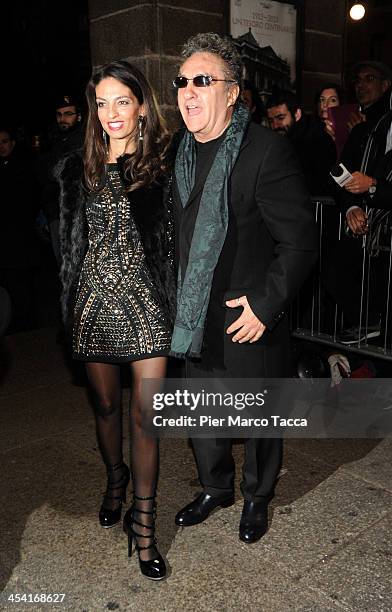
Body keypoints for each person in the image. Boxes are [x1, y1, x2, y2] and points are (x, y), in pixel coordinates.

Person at [171, 33, 317, 543]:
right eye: (182, 82)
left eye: (202, 81)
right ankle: (215, 487)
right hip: (195, 315)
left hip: (247, 314)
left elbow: (300, 242)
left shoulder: (265, 152)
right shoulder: (180, 153)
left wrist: (266, 305)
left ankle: (257, 496)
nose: (188, 91)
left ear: (233, 92)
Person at [57, 61, 175, 580]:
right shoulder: (75, 167)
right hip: (94, 302)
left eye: (121, 101)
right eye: (101, 103)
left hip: (147, 301)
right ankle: (114, 479)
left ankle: (143, 526)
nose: (111, 114)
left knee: (146, 417)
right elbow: (64, 242)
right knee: (106, 405)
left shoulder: (164, 164)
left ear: (142, 105)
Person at [0, 127, 40, 332]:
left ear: (12, 143)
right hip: (6, 237)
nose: (1, 146)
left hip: (20, 235)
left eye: (5, 141)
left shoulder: (23, 167)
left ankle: (26, 322)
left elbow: (29, 201)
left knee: (21, 280)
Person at [36, 95, 84, 266]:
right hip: (55, 213)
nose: (62, 119)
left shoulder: (83, 141)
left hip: (77, 214)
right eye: (59, 114)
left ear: (78, 116)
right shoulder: (53, 141)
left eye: (68, 114)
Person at [266, 90, 336, 195]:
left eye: (280, 118)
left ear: (297, 114)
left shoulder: (317, 139)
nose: (275, 125)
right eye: (271, 121)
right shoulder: (277, 141)